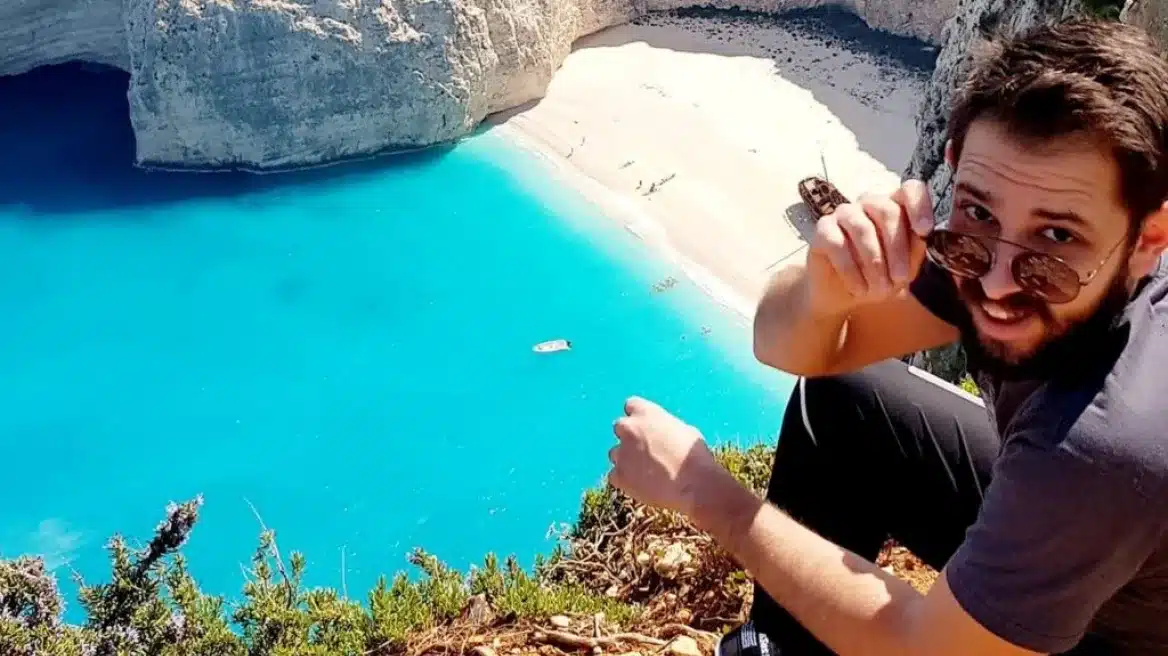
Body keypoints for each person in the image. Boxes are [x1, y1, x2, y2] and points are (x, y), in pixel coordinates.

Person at [604, 18, 1168, 656]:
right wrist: (825, 291)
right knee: (841, 397)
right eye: (978, 212)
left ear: (1148, 239)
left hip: (1121, 631)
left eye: (1057, 238)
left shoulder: (1102, 445)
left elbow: (924, 647)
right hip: (1091, 530)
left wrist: (703, 491)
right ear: (955, 168)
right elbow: (787, 347)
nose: (999, 284)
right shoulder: (992, 246)